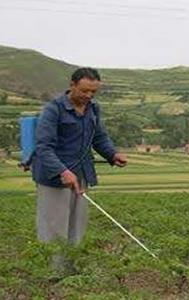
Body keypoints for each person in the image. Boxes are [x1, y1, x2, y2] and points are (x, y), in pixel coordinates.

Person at [31, 67, 127, 275]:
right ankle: (53, 275)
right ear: (72, 85)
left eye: (93, 92)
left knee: (77, 225)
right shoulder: (53, 110)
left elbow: (99, 137)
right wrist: (62, 171)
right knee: (54, 227)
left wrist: (112, 154)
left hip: (81, 174)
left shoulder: (93, 109)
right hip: (54, 178)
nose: (88, 96)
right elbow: (43, 147)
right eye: (84, 91)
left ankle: (73, 273)